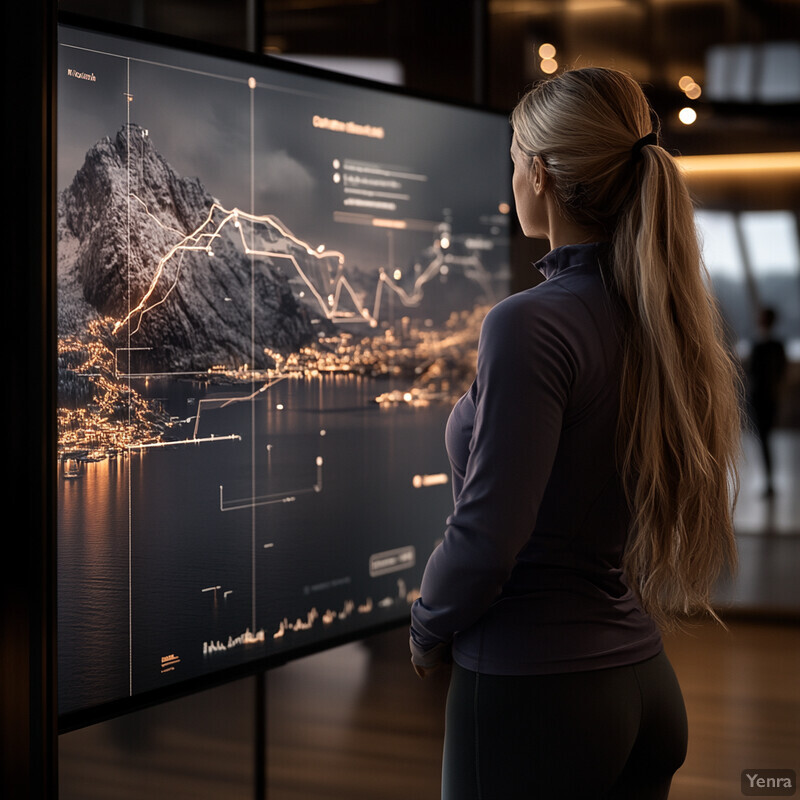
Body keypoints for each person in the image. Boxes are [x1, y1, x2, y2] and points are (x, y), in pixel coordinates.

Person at [409, 67, 742, 800]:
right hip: (643, 687)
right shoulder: (660, 316)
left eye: (514, 154)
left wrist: (426, 628)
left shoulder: (528, 324)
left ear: (540, 174)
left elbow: (486, 535)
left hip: (534, 695)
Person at [747, 306, 787, 497]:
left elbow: (754, 373)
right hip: (767, 399)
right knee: (765, 440)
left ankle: (769, 481)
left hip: (762, 399)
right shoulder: (775, 345)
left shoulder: (761, 345)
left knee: (764, 441)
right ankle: (769, 480)